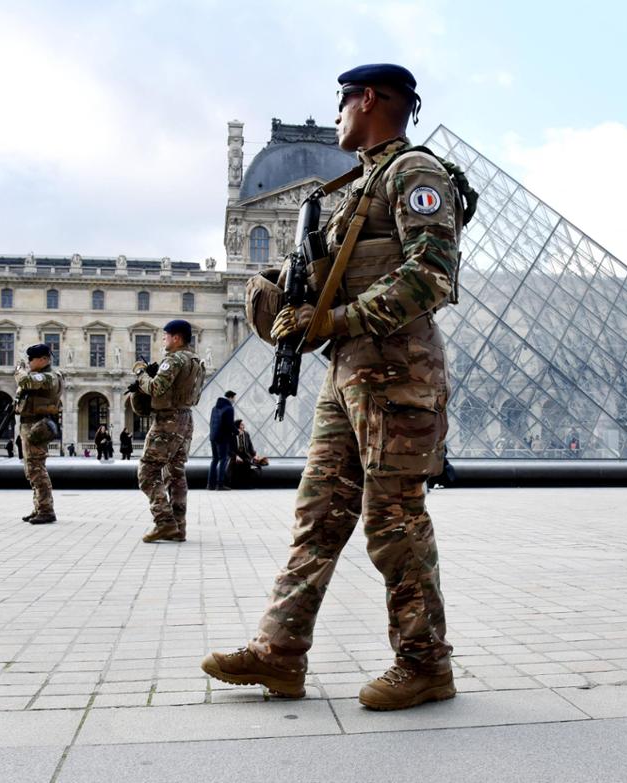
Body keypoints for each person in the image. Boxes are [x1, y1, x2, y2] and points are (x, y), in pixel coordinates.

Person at [202, 63, 471, 711]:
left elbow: (430, 275)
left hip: (399, 375)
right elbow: (319, 271)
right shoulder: (356, 187)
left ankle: (425, 660)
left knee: (394, 519)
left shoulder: (415, 174)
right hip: (348, 372)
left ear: (370, 99)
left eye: (343, 103)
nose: (337, 117)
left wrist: (332, 319)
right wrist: (274, 293)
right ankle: (279, 651)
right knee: (317, 515)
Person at [131, 319, 205, 543]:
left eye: (165, 336)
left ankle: (164, 522)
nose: (163, 340)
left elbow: (155, 387)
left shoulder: (173, 359)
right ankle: (179, 527)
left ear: (176, 338)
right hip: (186, 419)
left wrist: (141, 374)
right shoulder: (196, 361)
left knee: (148, 471)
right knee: (176, 472)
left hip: (167, 421)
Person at [14, 343, 64, 524]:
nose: (28, 362)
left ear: (43, 359)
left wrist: (19, 370)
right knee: (32, 470)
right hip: (31, 424)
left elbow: (24, 381)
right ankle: (39, 507)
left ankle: (46, 510)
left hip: (38, 426)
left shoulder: (50, 376)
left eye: (31, 359)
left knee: (37, 469)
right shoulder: (40, 375)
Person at [207, 391, 237, 490]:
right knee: (223, 459)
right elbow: (230, 424)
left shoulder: (214, 408)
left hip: (213, 436)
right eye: (234, 398)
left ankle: (210, 485)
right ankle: (220, 484)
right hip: (223, 437)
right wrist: (237, 432)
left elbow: (211, 423)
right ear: (231, 397)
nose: (234, 400)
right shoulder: (229, 409)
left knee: (214, 460)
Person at [230, 419, 270, 488]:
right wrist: (235, 456)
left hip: (246, 455)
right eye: (242, 424)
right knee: (238, 465)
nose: (244, 426)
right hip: (236, 456)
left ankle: (247, 484)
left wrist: (254, 455)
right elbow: (229, 448)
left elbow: (250, 446)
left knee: (250, 465)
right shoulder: (232, 435)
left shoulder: (246, 434)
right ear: (237, 426)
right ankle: (236, 485)